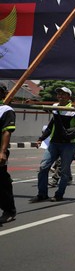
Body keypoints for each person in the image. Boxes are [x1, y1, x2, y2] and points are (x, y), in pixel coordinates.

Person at [31, 87, 75, 203]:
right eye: (59, 94)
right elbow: (51, 126)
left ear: (68, 97)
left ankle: (59, 194)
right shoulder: (55, 108)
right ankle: (42, 194)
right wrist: (40, 139)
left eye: (63, 94)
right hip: (54, 143)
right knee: (43, 167)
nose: (60, 96)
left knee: (64, 172)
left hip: (68, 145)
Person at [0, 84, 17, 224]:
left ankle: (9, 210)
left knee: (2, 183)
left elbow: (7, 131)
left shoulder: (6, 110)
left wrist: (2, 152)